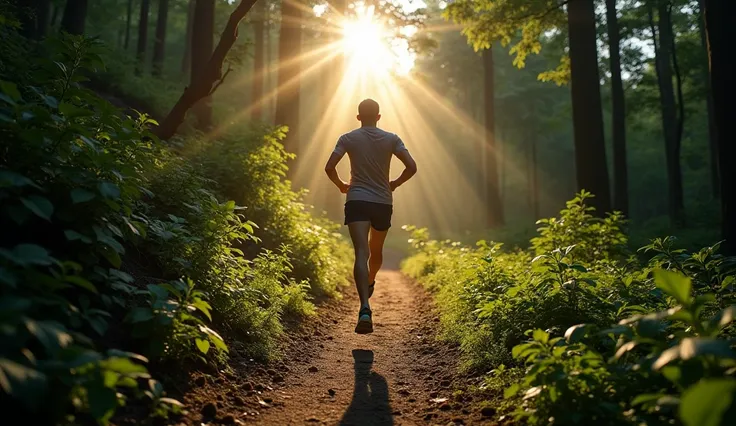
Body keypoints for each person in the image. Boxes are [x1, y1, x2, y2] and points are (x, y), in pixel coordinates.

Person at [324, 99, 417, 334]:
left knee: (361, 253)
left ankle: (364, 307)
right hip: (382, 202)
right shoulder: (392, 139)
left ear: (358, 117)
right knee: (376, 252)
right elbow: (412, 167)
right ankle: (371, 281)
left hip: (356, 200)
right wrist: (394, 183)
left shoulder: (347, 138)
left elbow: (329, 167)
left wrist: (341, 185)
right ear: (378, 116)